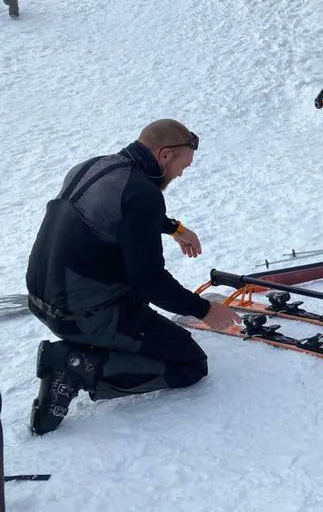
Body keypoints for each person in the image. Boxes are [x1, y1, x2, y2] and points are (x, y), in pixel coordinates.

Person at [26, 119, 240, 435]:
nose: (182, 174)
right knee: (190, 363)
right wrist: (206, 311)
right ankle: (77, 367)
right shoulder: (143, 194)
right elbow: (149, 280)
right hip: (81, 313)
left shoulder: (95, 167)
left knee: (135, 299)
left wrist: (174, 229)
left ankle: (99, 341)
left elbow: (122, 214)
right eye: (184, 166)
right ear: (165, 155)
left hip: (44, 298)